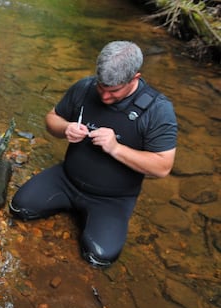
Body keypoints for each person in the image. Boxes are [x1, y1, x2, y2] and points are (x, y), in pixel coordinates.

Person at [9, 41, 177, 267]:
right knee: (20, 208)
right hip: (66, 180)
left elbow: (162, 166)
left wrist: (116, 149)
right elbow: (52, 118)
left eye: (114, 91)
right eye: (102, 88)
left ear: (135, 78)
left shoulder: (157, 110)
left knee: (99, 257)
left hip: (112, 199)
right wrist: (64, 128)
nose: (105, 97)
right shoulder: (85, 87)